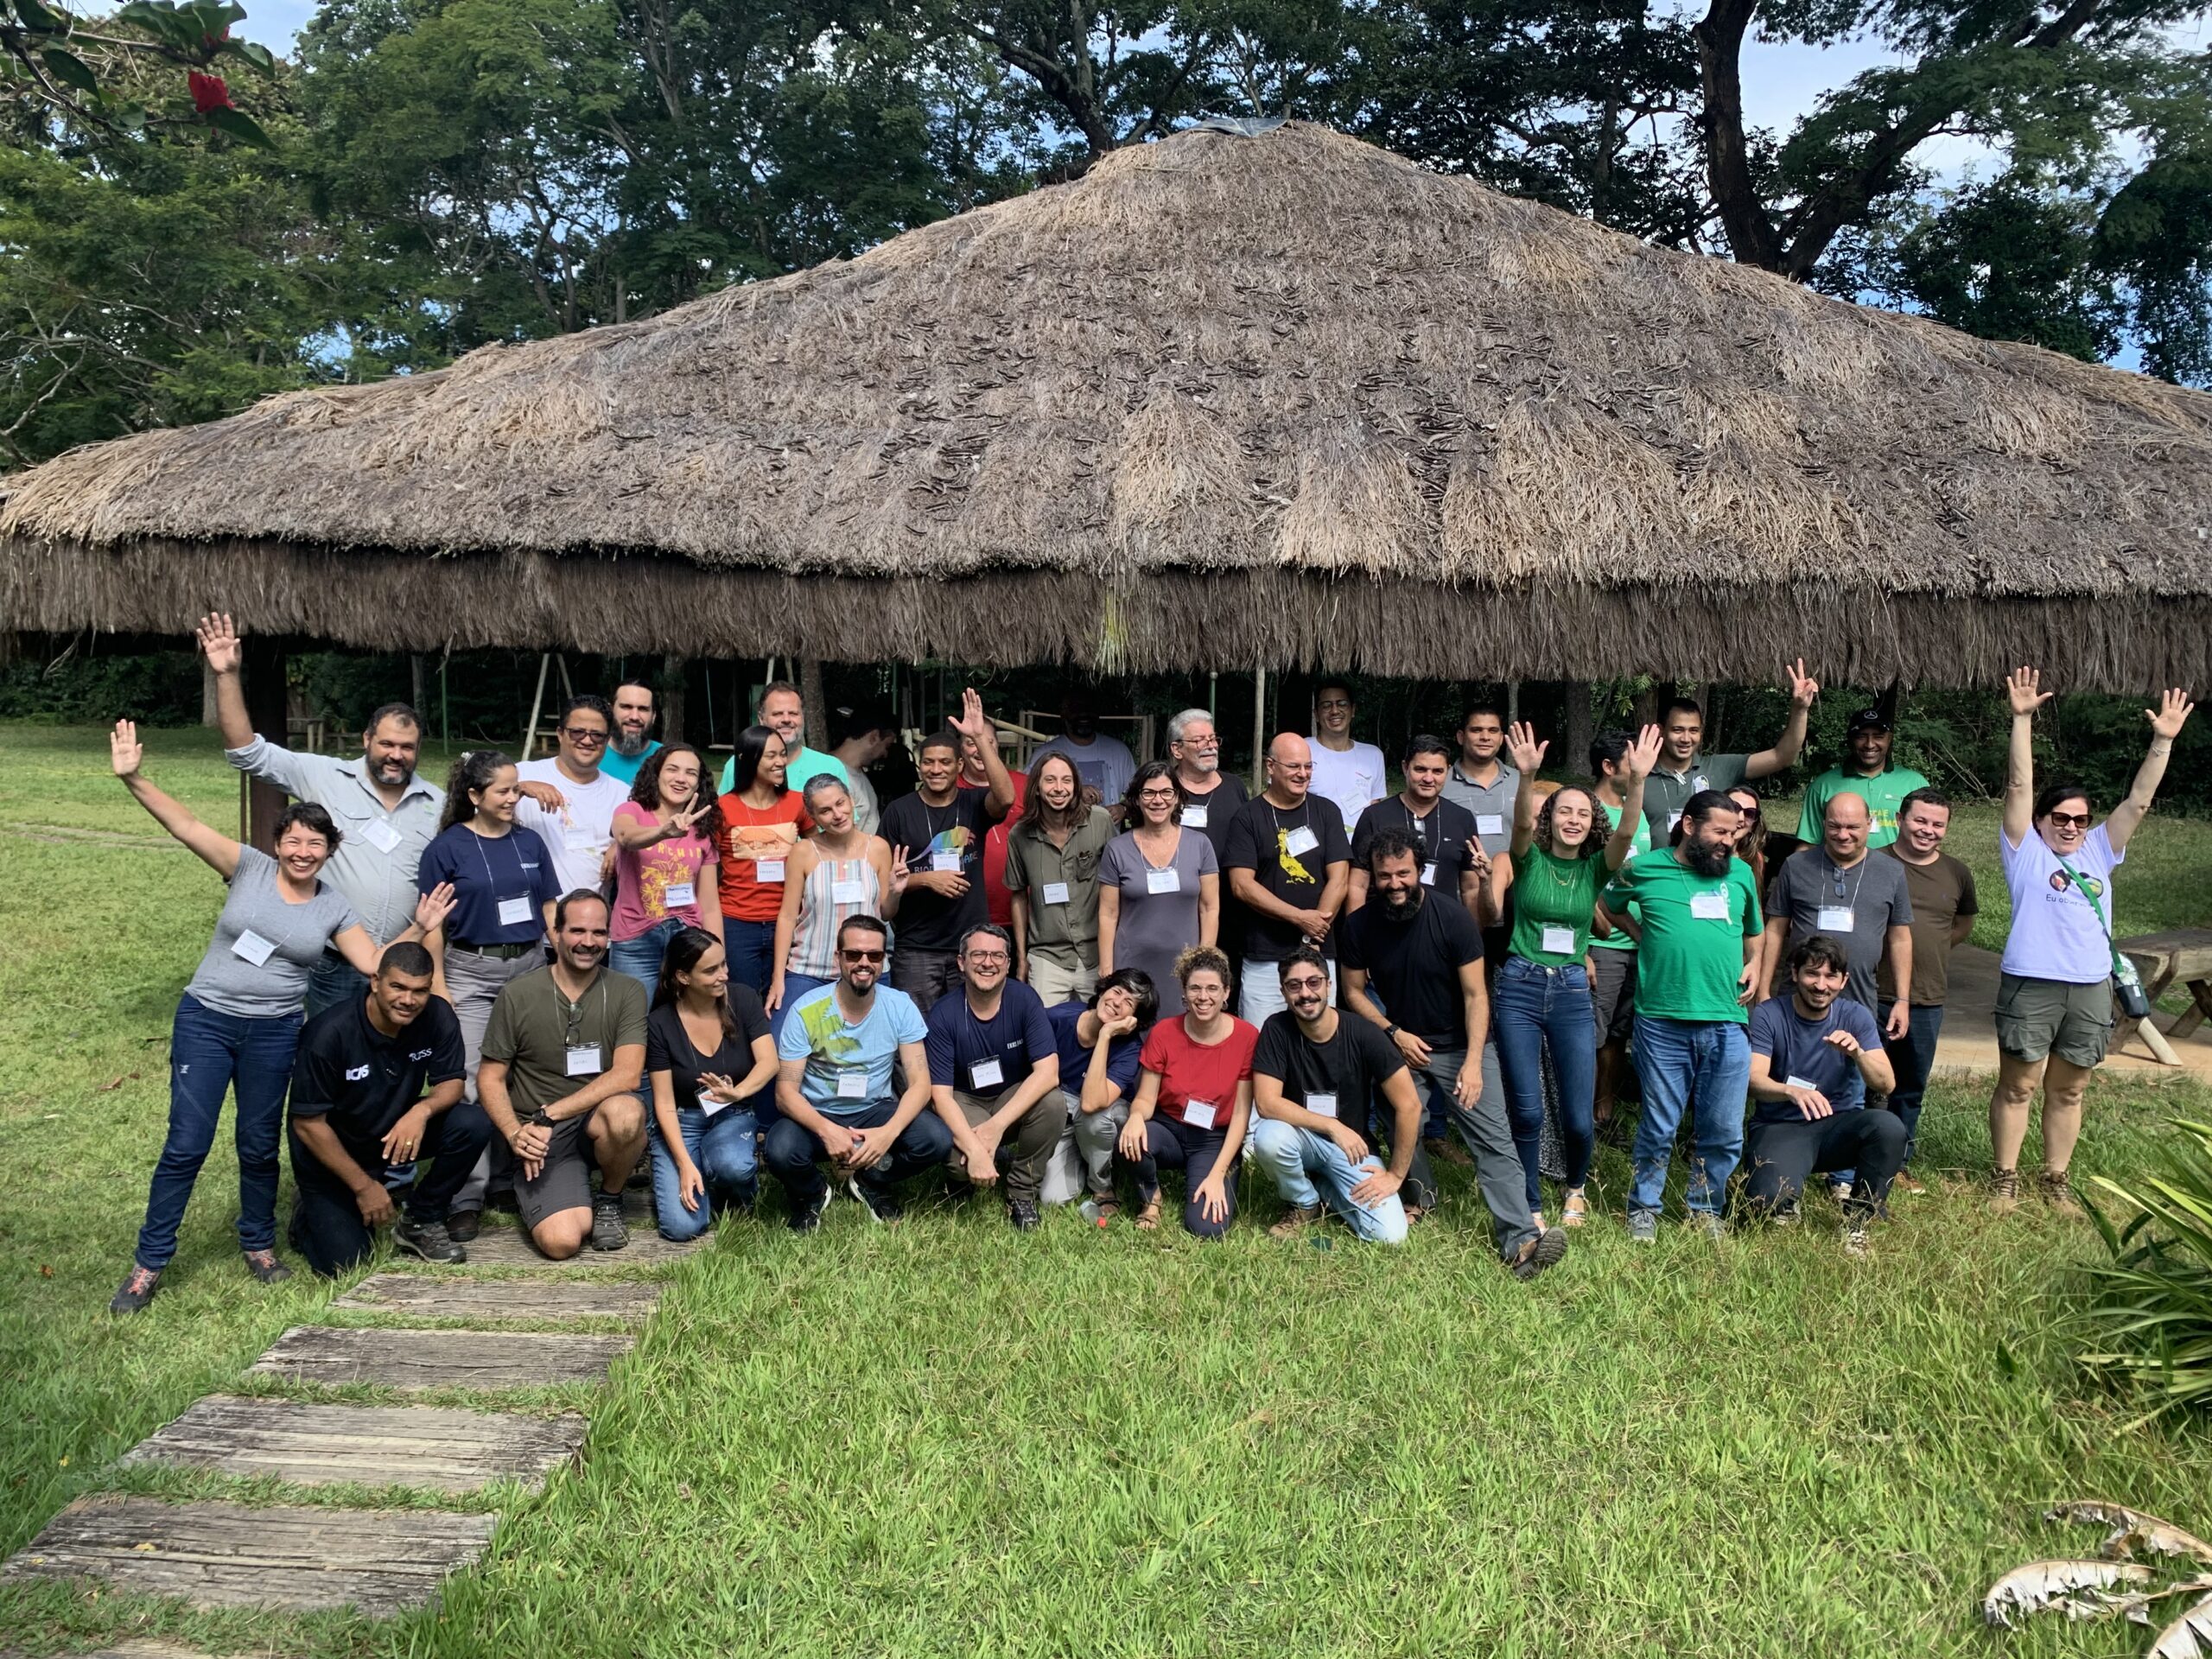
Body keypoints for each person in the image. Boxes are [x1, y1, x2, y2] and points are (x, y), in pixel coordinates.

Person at [106, 721, 453, 1313]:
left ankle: (259, 1245)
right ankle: (149, 1263)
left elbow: (373, 962)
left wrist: (422, 925)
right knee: (187, 1144)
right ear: (279, 841)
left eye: (316, 845)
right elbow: (184, 825)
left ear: (329, 852)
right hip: (209, 1019)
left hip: (274, 1031)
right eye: (294, 840)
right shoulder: (246, 867)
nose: (303, 851)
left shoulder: (333, 906)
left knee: (259, 1143)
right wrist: (134, 777)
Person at [1987, 668, 2194, 1217]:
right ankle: (2004, 1178)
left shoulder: (2101, 850)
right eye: (2061, 817)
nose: (2072, 827)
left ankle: (2055, 1179)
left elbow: (2140, 802)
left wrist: (2163, 742)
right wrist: (2022, 720)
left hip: (2090, 986)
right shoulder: (2023, 848)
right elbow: (2017, 785)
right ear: (2040, 821)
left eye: (2081, 819)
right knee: (2019, 1086)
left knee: (2070, 1089)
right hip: (2032, 982)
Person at [1338, 830, 1563, 1275]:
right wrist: (1393, 1031)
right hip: (1403, 1043)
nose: (1394, 883)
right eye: (1384, 876)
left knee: (1493, 1141)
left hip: (1463, 1046)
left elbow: (1477, 996)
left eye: (1403, 873)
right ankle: (1419, 1195)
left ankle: (1521, 1241)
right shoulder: (1359, 925)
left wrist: (1475, 1064)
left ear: (1419, 870)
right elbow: (1352, 990)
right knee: (1399, 1116)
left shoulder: (1454, 919)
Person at [199, 613, 445, 1018]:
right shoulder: (324, 775)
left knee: (389, 1067)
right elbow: (247, 752)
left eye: (407, 746)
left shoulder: (437, 803)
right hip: (333, 960)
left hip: (403, 962)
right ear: (367, 740)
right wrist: (227, 674)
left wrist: (526, 786)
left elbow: (489, 803)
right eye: (386, 743)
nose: (396, 755)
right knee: (324, 1059)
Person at [1492, 721, 1657, 1228]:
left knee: (1578, 1115)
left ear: (1593, 822)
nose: (1573, 819)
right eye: (1564, 810)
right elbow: (1520, 826)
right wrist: (1526, 777)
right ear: (1550, 816)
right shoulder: (1529, 859)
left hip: (1569, 989)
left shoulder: (1595, 869)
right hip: (1519, 986)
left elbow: (1628, 831)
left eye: (1583, 813)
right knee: (1526, 1111)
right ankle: (1532, 1204)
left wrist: (1640, 781)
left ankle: (1576, 1188)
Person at [1600, 791, 1765, 1241]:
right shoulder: (1645, 868)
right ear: (1690, 826)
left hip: (1727, 1020)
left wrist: (1753, 962)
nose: (1728, 842)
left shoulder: (1742, 874)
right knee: (1659, 1124)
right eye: (1719, 831)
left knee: (1724, 1127)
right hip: (1662, 1020)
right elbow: (1608, 905)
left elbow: (1756, 929)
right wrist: (1640, 935)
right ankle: (1644, 1209)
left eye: (1734, 833)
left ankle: (1705, 1207)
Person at [285, 941, 488, 1273]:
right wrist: (365, 1187)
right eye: (398, 987)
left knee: (472, 1123)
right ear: (376, 982)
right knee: (347, 1265)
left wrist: (420, 1112)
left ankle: (422, 1218)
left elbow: (452, 1082)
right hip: (332, 1151)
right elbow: (308, 1124)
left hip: (390, 1135)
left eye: (420, 991)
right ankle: (307, 1215)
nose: (408, 1000)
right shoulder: (328, 1034)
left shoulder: (437, 1015)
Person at [414, 753, 564, 1198]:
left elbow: (549, 906)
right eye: (503, 791)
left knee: (527, 1074)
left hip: (531, 967)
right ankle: (468, 1190)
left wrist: (565, 958)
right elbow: (432, 924)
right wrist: (439, 986)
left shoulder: (529, 843)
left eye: (517, 789)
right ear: (475, 796)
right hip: (470, 972)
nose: (513, 799)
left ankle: (514, 1177)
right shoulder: (446, 848)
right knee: (473, 1080)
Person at [475, 890, 649, 1259]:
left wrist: (549, 1114)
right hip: (540, 1137)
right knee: (562, 1242)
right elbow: (489, 1077)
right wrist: (514, 1132)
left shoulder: (627, 990)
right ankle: (563, 1188)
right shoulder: (517, 994)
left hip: (590, 1120)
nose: (589, 942)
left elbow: (629, 1075)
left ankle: (610, 1197)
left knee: (626, 1112)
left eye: (599, 933)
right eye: (578, 931)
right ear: (555, 934)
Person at [768, 915, 952, 1230]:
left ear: (884, 960)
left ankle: (871, 1180)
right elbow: (785, 1094)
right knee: (780, 1150)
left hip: (874, 1111)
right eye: (853, 955)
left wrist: (888, 1133)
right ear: (837, 958)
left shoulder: (900, 1005)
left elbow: (920, 1084)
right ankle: (813, 1193)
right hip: (818, 1112)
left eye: (874, 956)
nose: (864, 963)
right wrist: (827, 1130)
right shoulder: (806, 1010)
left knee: (936, 1139)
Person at [1741, 935, 1904, 1255]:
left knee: (1889, 1127)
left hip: (1838, 1127)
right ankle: (1788, 1199)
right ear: (1794, 973)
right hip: (1781, 1126)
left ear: (1843, 981)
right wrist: (1789, 1091)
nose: (1820, 985)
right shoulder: (1769, 1015)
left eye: (1831, 976)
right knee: (1765, 1204)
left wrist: (1859, 1053)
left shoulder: (1855, 1016)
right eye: (1812, 974)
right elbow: (1752, 1080)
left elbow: (1886, 1085)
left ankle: (1859, 1219)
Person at [1250, 946, 1422, 1247]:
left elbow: (1409, 1104)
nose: (1305, 993)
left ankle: (1324, 1192)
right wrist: (1332, 1125)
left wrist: (1395, 1175)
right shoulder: (1276, 1029)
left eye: (1314, 982)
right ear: (1284, 992)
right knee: (1268, 1137)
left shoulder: (1364, 1033)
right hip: (1301, 1138)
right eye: (1295, 985)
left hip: (1353, 1150)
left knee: (1390, 1236)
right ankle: (1303, 1201)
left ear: (1330, 985)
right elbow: (1266, 1103)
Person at [880, 690, 1014, 1013]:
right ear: (919, 764)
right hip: (916, 948)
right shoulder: (899, 811)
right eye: (928, 762)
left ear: (959, 765)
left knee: (969, 1026)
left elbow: (1007, 797)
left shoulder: (973, 804)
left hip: (969, 943)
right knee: (913, 1033)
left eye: (944, 762)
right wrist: (927, 879)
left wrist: (979, 737)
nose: (936, 769)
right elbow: (884, 883)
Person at [926, 924, 1063, 1230]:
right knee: (957, 1160)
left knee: (1053, 1104)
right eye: (978, 954)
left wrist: (994, 1127)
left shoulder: (1025, 999)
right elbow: (940, 1096)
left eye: (997, 955)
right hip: (964, 1099)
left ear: (1008, 963)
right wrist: (975, 1149)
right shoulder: (943, 1014)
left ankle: (1021, 1192)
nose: (988, 963)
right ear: (962, 963)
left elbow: (1048, 1073)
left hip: (1009, 1097)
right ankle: (961, 1179)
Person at [645, 926, 778, 1240]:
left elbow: (770, 1062)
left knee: (732, 1165)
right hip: (682, 1120)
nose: (723, 975)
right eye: (711, 970)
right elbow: (663, 1103)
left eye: (724, 964)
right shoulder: (660, 1023)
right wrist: (683, 1164)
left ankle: (728, 1182)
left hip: (732, 1113)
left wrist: (740, 1091)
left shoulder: (743, 998)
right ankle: (698, 1170)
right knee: (681, 1229)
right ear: (683, 977)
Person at [1113, 947, 1256, 1237]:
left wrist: (1217, 1175)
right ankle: (1150, 1200)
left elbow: (1241, 1114)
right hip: (1170, 1127)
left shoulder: (1247, 1036)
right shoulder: (1164, 1032)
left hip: (1213, 1137)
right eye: (1195, 988)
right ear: (1184, 990)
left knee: (1207, 1228)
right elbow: (1145, 1098)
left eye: (1213, 988)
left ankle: (1222, 1172)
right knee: (1130, 1140)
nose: (1204, 997)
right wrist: (1136, 1117)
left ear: (1227, 992)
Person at [1878, 787, 1979, 1192]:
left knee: (1909, 1087)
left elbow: (1963, 924)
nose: (1928, 830)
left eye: (1938, 824)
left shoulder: (1957, 872)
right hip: (1872, 992)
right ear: (1900, 819)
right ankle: (1844, 1165)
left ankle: (1896, 1163)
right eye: (1920, 820)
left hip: (1927, 997)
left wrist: (1928, 952)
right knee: (1860, 1082)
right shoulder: (1875, 862)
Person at [1224, 734, 1351, 1026]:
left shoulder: (1326, 811)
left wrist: (1314, 930)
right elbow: (1241, 885)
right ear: (1271, 766)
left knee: (1320, 1036)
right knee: (1261, 1038)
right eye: (1294, 766)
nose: (1303, 774)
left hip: (1318, 951)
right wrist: (1299, 919)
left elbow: (1340, 878)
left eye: (1308, 766)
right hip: (1265, 956)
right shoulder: (1248, 817)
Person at [1761, 793, 1913, 1034]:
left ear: (1869, 823)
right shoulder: (1796, 865)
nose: (1843, 835)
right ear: (1824, 824)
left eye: (1852, 827)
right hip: (1797, 999)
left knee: (1853, 1067)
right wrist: (1763, 990)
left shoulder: (1891, 872)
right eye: (1834, 826)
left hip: (1859, 1000)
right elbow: (1775, 930)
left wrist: (1902, 1001)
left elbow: (1901, 939)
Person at [770, 774, 906, 1026]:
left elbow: (886, 913)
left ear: (851, 800)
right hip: (810, 969)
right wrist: (778, 978)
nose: (837, 814)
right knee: (783, 1042)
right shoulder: (803, 852)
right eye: (825, 810)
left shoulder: (878, 848)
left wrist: (895, 891)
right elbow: (787, 916)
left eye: (840, 803)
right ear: (813, 816)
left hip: (866, 967)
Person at [1638, 662, 1819, 842]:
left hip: (1708, 869)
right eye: (1677, 730)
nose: (1686, 738)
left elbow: (1781, 757)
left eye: (1693, 731)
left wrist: (1800, 710)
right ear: (1661, 731)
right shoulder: (1640, 775)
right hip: (1655, 869)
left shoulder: (1720, 768)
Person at [1098, 761, 1220, 1017]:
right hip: (1131, 966)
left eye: (1166, 792)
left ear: (1177, 798)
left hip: (1184, 968)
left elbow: (1209, 908)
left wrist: (1205, 963)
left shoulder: (1200, 845)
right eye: (1149, 793)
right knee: (1131, 1036)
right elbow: (1108, 914)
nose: (1158, 800)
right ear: (1136, 799)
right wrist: (1107, 969)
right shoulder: (1117, 849)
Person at [607, 743, 721, 991]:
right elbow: (626, 836)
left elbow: (710, 905)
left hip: (688, 938)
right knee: (632, 1019)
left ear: (698, 782)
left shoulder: (701, 830)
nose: (681, 779)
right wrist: (663, 831)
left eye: (691, 773)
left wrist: (719, 960)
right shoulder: (633, 810)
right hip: (636, 940)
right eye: (672, 770)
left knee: (686, 1021)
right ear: (656, 773)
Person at [1587, 730, 1656, 1137]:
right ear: (1609, 767)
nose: (1641, 771)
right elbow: (1580, 883)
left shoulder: (1638, 809)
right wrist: (1607, 925)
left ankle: (1604, 1112)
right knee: (1592, 1033)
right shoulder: (1585, 811)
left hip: (1638, 945)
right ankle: (1578, 1116)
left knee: (1618, 1033)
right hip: (1601, 944)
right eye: (1634, 764)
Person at [1004, 751, 1114, 1003]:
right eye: (1050, 780)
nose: (1059, 788)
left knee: (1100, 1031)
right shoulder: (1020, 835)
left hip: (1096, 952)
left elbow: (1116, 886)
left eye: (1066, 780)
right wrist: (1022, 958)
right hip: (1047, 956)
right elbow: (1018, 895)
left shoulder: (1099, 821)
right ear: (1037, 788)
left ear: (1075, 786)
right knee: (1045, 1035)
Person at [714, 725, 813, 996]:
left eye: (782, 754)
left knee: (783, 999)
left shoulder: (798, 802)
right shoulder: (723, 807)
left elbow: (820, 850)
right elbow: (708, 866)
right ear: (747, 759)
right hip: (736, 922)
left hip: (790, 919)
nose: (781, 761)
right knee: (740, 1000)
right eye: (771, 756)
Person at [1055, 969, 1159, 1220]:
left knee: (1094, 1117)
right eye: (1117, 991)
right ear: (1102, 990)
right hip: (1064, 1114)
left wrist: (1105, 1035)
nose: (1117, 1003)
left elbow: (1092, 1103)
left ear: (1134, 1019)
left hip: (1106, 1115)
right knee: (1054, 1198)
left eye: (1129, 1003)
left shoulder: (1130, 1048)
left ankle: (1102, 1186)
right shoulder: (1058, 1017)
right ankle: (1082, 1156)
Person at [1348, 735, 1484, 913]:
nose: (1428, 778)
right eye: (1420, 769)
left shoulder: (1462, 819)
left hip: (1443, 928)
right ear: (1405, 768)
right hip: (1385, 928)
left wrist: (1472, 935)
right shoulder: (1375, 817)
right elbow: (1358, 884)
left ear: (1448, 771)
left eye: (1437, 771)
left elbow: (1471, 888)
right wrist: (1355, 933)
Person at [515, 694, 632, 897]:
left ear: (607, 740)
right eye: (577, 732)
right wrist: (518, 789)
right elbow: (472, 807)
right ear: (560, 734)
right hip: (527, 915)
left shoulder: (622, 793)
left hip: (588, 922)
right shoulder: (523, 774)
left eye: (597, 735)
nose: (587, 740)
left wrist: (622, 847)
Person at [1792, 706, 1929, 850]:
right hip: (1838, 870)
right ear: (1850, 740)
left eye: (1878, 736)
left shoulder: (1915, 783)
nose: (1869, 744)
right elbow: (1808, 844)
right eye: (1861, 736)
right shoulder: (1823, 785)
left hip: (1900, 870)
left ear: (1889, 739)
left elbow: (1930, 838)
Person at [718, 681, 851, 797]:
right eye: (778, 714)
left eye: (793, 713)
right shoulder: (739, 764)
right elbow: (722, 817)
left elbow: (846, 822)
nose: (786, 720)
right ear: (761, 718)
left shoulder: (831, 767)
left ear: (803, 717)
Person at [958, 728, 1027, 931]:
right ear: (961, 750)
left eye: (989, 742)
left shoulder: (1024, 784)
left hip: (1021, 911)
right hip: (966, 913)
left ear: (997, 745)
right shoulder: (950, 789)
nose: (980, 748)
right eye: (972, 743)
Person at [1307, 678, 1389, 836]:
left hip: (1359, 849)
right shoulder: (1302, 750)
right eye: (1326, 705)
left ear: (1353, 710)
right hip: (1314, 848)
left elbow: (1374, 808)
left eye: (1342, 704)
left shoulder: (1373, 755)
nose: (1335, 711)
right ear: (1316, 714)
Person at [1440, 703, 1520, 859]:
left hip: (1515, 879)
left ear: (1501, 738)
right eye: (1476, 730)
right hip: (1459, 879)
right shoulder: (1441, 783)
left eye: (1493, 730)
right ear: (1461, 737)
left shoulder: (1520, 781)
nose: (1485, 737)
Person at [1033, 687, 1136, 805]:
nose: (1083, 713)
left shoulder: (1119, 751)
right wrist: (1075, 793)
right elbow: (1028, 794)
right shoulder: (1044, 754)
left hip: (1107, 824)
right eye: (1076, 709)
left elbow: (1137, 796)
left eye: (1089, 708)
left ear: (1098, 713)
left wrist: (1122, 809)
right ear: (1063, 713)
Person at [828, 702, 900, 838]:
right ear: (874, 737)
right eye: (887, 745)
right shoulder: (831, 775)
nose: (885, 754)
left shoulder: (858, 773)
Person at [597, 679, 664, 787]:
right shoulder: (591, 754)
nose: (634, 717)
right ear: (610, 711)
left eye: (643, 709)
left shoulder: (666, 758)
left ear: (653, 716)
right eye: (626, 707)